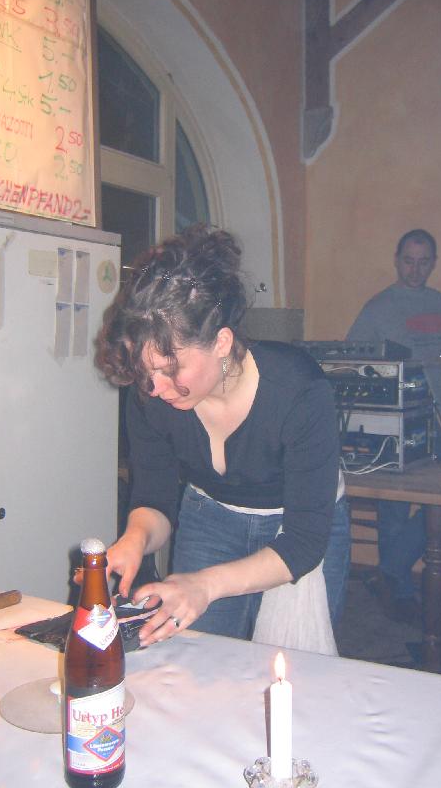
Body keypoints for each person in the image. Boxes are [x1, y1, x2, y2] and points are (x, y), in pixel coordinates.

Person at [92, 224, 350, 650]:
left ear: (222, 343)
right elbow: (154, 499)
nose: (156, 388)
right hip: (211, 518)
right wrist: (135, 538)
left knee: (292, 669)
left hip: (295, 527)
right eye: (146, 372)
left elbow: (304, 543)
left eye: (170, 369)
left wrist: (205, 585)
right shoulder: (151, 396)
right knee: (199, 657)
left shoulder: (299, 391)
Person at [347, 229, 441, 625]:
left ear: (434, 263)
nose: (415, 269)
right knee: (394, 510)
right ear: (396, 260)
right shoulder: (378, 307)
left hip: (434, 419)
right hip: (391, 422)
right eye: (409, 261)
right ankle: (401, 591)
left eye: (423, 262)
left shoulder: (440, 302)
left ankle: (388, 569)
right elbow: (353, 361)